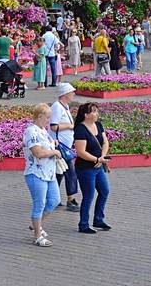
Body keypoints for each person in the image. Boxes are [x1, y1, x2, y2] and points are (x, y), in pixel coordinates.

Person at [22, 103, 61, 247]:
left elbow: (45, 146)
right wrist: (54, 152)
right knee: (39, 204)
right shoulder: (31, 131)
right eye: (47, 117)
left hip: (49, 173)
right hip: (36, 173)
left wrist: (53, 144)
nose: (49, 120)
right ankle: (37, 236)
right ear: (39, 116)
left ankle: (37, 225)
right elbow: (37, 152)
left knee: (54, 201)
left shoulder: (42, 131)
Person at [72, 102, 111, 235]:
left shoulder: (98, 125)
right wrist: (96, 159)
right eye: (94, 112)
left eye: (96, 111)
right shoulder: (80, 130)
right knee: (88, 196)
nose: (96, 114)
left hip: (98, 166)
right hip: (85, 168)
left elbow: (105, 142)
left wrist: (102, 157)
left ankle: (98, 219)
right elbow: (81, 152)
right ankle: (83, 224)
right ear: (86, 115)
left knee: (104, 191)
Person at [49, 83, 79, 211]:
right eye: (72, 92)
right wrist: (69, 126)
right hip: (60, 145)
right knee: (70, 172)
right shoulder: (57, 107)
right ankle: (70, 199)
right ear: (65, 94)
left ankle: (52, 197)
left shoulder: (64, 106)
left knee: (59, 172)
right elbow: (53, 126)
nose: (74, 94)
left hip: (64, 145)